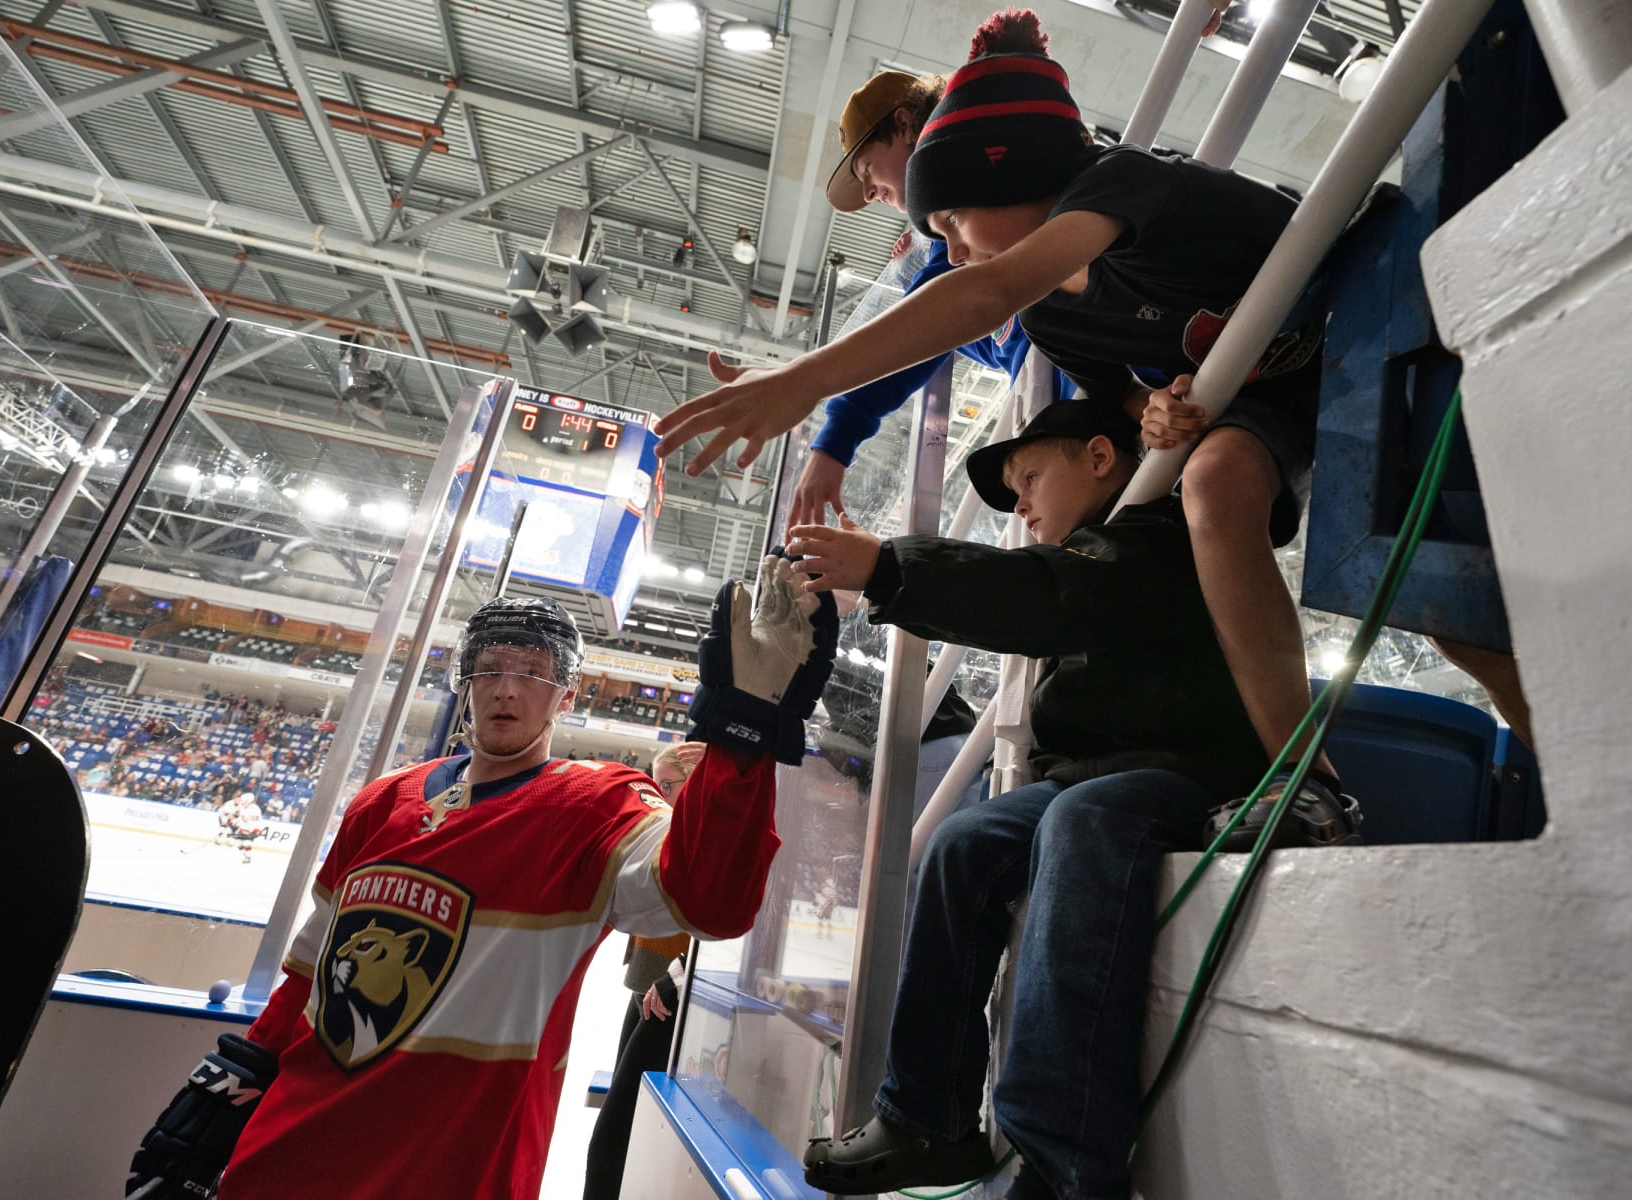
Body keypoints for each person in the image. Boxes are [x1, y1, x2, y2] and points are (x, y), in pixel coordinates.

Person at [655, 8, 1350, 846]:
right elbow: (1122, 408)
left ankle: (1300, 774)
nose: (947, 251)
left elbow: (980, 297)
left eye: (949, 222)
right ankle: (1307, 782)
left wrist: (809, 383)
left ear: (1008, 169)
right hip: (1275, 404)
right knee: (1210, 476)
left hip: (1360, 331)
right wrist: (1156, 409)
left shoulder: (1127, 181)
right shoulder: (1057, 324)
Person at [784, 400, 1358, 1199]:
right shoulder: (1095, 551)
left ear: (1099, 457)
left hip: (1190, 771)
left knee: (1080, 819)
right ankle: (927, 1119)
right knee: (961, 844)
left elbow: (1051, 596)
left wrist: (890, 567)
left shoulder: (1158, 535)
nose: (1019, 506)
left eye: (1027, 477)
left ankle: (1061, 1165)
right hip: (1093, 776)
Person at [126, 561, 838, 1200]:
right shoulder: (382, 803)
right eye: (488, 669)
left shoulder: (597, 806)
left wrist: (739, 741)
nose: (506, 689)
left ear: (566, 692)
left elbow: (709, 903)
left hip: (452, 1173)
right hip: (286, 1155)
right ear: (462, 681)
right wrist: (240, 1071)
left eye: (531, 671)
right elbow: (308, 980)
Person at [779, 66, 1076, 529]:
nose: (871, 193)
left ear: (904, 125)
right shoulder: (951, 248)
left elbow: (940, 325)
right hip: (1069, 409)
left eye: (867, 170)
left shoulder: (989, 193)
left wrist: (838, 435)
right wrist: (914, 277)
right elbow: (966, 330)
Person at [582, 740, 706, 1200]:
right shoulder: (666, 830)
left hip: (672, 986)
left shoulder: (702, 837)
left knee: (621, 1116)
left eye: (667, 786)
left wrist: (676, 972)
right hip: (653, 979)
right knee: (622, 1095)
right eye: (654, 785)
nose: (658, 794)